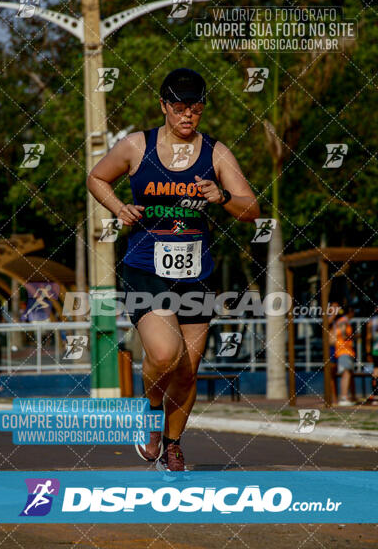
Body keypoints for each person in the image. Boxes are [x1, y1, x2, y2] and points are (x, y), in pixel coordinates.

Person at [87, 68, 260, 472]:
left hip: (196, 274)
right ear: (163, 105)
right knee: (166, 354)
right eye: (180, 108)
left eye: (196, 110)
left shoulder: (215, 153)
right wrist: (118, 207)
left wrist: (223, 196)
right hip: (145, 270)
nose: (188, 117)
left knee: (186, 371)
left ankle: (173, 442)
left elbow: (251, 210)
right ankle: (150, 413)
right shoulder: (135, 146)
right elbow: (97, 177)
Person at [333, 305, 356, 406]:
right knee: (346, 374)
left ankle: (347, 396)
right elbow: (343, 334)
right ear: (350, 312)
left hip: (346, 351)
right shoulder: (343, 321)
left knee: (348, 373)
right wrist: (351, 336)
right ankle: (343, 397)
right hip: (343, 351)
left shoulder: (342, 321)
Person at [365, 305, 378, 406]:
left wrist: (368, 351)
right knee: (376, 372)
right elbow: (369, 337)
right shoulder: (372, 322)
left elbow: (368, 338)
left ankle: (375, 395)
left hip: (375, 350)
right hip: (376, 350)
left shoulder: (371, 321)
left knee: (376, 372)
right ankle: (375, 395)